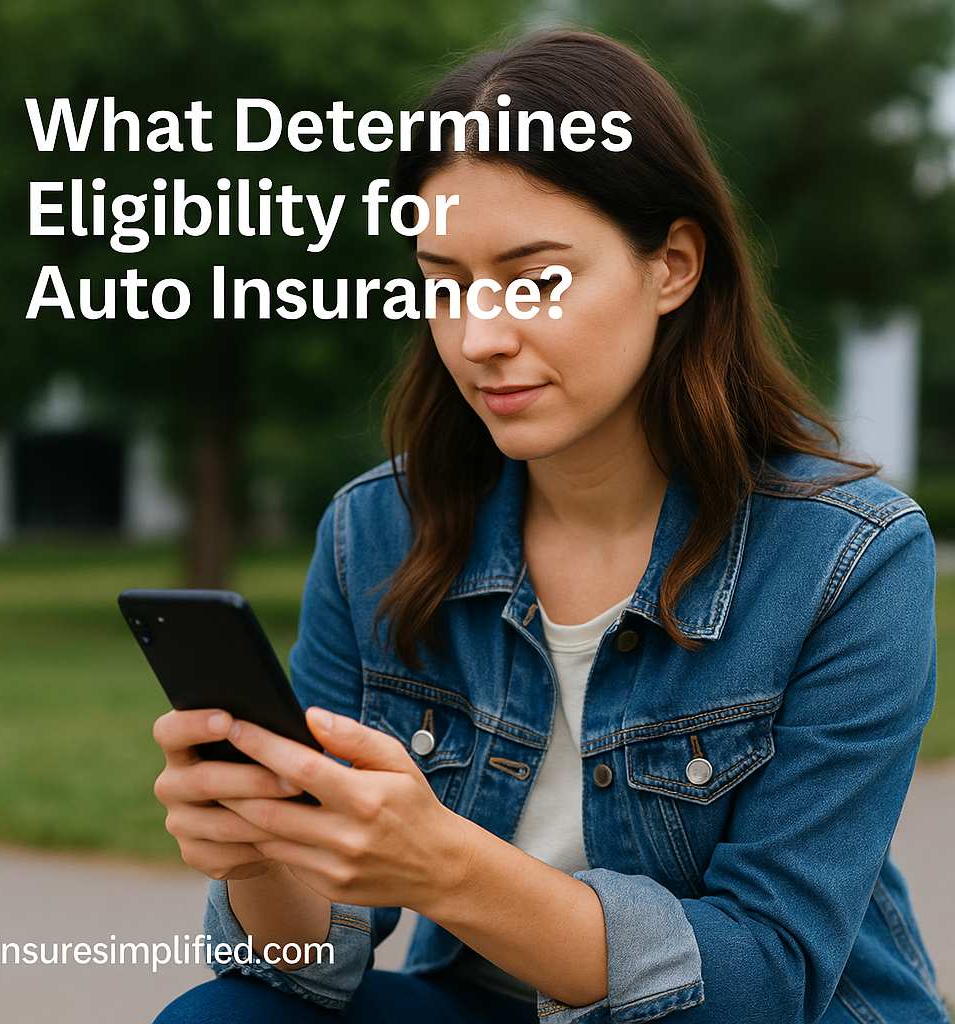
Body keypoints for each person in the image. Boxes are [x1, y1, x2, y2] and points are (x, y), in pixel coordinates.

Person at [152, 29, 947, 1024]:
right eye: (444, 283)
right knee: (222, 1017)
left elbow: (767, 977)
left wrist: (444, 867)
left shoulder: (850, 557)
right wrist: (265, 846)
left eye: (533, 277)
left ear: (673, 266)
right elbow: (305, 965)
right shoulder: (375, 532)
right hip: (491, 1007)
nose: (479, 336)